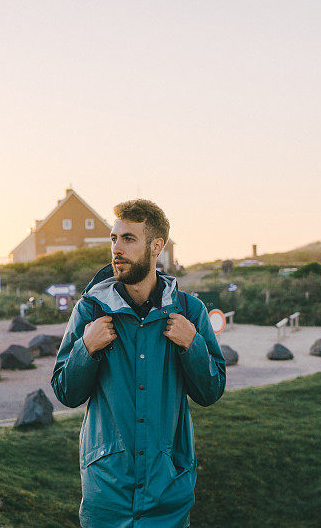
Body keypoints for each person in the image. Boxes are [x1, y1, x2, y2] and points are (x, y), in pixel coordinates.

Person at [51, 199, 226, 527]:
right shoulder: (90, 311)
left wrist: (193, 345)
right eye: (114, 238)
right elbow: (65, 392)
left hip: (168, 496)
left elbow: (211, 391)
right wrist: (85, 349)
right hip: (107, 495)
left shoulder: (190, 312)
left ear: (156, 246)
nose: (117, 248)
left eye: (128, 239)